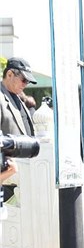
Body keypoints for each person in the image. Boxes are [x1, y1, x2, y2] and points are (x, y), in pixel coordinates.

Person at [1, 57, 37, 201]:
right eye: (23, 80)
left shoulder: (18, 98)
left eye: (28, 82)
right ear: (10, 74)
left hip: (24, 177)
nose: (25, 85)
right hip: (8, 179)